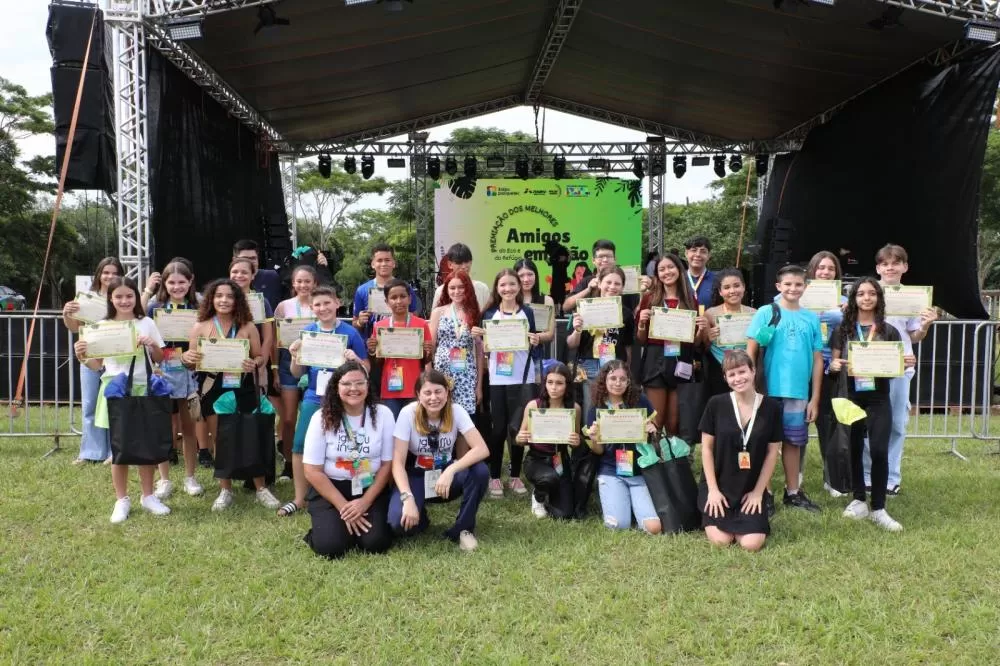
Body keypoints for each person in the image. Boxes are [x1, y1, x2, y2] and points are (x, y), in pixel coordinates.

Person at [180, 278, 281, 512]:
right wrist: (187, 359)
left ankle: (260, 488)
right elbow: (191, 361)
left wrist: (253, 363)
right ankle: (225, 489)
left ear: (237, 300)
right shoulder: (200, 327)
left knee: (250, 435)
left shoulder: (247, 327)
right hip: (213, 388)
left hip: (243, 386)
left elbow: (259, 357)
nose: (224, 300)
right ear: (211, 300)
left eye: (229, 296)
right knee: (219, 438)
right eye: (218, 296)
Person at [73, 277, 168, 523]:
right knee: (120, 448)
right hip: (115, 389)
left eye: (129, 296)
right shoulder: (101, 326)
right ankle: (121, 499)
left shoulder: (146, 322)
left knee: (145, 445)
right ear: (110, 299)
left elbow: (161, 356)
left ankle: (148, 496)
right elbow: (97, 365)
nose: (124, 301)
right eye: (118, 297)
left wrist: (151, 346)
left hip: (143, 387)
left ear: (137, 297)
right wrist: (82, 355)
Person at [829, 278, 907, 532]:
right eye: (860, 293)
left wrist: (906, 362)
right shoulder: (844, 329)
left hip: (878, 398)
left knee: (879, 451)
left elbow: (899, 362)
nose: (866, 298)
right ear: (854, 299)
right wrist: (835, 365)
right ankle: (859, 499)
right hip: (851, 397)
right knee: (853, 449)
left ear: (878, 298)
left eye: (871, 293)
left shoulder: (888, 330)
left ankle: (879, 507)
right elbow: (833, 363)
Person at [745, 264, 824, 513]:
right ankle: (765, 493)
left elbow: (818, 359)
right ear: (779, 286)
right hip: (768, 390)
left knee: (793, 442)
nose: (793, 288)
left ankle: (792, 492)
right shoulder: (766, 312)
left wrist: (815, 398)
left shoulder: (811, 318)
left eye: (798, 284)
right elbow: (751, 350)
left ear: (805, 287)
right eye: (787, 284)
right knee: (764, 443)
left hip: (799, 391)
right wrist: (750, 390)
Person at [285, 285, 369, 517]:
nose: (323, 308)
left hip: (345, 396)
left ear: (336, 303)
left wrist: (356, 360)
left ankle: (355, 491)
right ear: (312, 308)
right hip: (314, 394)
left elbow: (366, 369)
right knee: (300, 445)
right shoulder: (309, 332)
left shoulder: (350, 333)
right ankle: (299, 498)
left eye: (327, 303)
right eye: (318, 305)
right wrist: (294, 356)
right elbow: (296, 373)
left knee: (350, 443)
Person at [300, 361, 395, 558]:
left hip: (370, 488)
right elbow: (311, 471)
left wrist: (364, 503)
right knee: (331, 547)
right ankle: (332, 527)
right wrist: (343, 506)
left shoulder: (383, 414)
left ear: (368, 386)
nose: (354, 389)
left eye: (360, 383)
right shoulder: (321, 417)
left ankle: (349, 526)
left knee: (376, 543)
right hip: (332, 489)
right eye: (346, 384)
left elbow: (387, 465)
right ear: (336, 387)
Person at [388, 369, 490, 551]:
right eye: (427, 393)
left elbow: (481, 449)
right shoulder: (407, 414)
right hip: (417, 475)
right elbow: (397, 463)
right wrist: (408, 498)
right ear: (418, 395)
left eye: (438, 391)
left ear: (447, 392)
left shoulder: (456, 411)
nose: (433, 398)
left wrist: (451, 470)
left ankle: (463, 529)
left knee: (480, 471)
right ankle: (421, 516)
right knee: (398, 525)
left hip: (446, 474)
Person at [699, 350, 782, 551]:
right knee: (721, 541)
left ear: (753, 371)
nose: (738, 378)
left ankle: (748, 516)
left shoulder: (772, 407)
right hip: (720, 486)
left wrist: (757, 493)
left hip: (749, 488)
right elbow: (707, 449)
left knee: (751, 544)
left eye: (742, 371)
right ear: (725, 378)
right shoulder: (716, 404)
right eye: (732, 374)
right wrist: (712, 490)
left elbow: (772, 453)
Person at [871, 244, 936, 496]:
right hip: (869, 366)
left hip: (900, 367)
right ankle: (867, 475)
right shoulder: (867, 292)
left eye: (895, 263)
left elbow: (915, 335)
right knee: (869, 424)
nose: (890, 267)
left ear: (904, 267)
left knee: (897, 424)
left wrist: (926, 325)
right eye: (885, 263)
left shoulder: (913, 298)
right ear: (878, 267)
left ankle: (891, 478)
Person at [472, 269, 540, 498]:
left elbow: (535, 345)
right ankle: (493, 477)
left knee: (517, 428)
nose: (508, 289)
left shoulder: (528, 312)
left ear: (519, 287)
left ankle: (514, 475)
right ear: (497, 288)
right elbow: (484, 349)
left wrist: (535, 339)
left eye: (512, 284)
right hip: (498, 379)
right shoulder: (489, 314)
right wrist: (478, 337)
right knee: (498, 429)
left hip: (524, 378)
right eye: (503, 285)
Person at [146, 260, 205, 498]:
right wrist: (148, 290)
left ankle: (190, 477)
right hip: (162, 372)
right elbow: (138, 322)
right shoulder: (154, 307)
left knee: (189, 427)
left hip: (190, 373)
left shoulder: (199, 307)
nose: (177, 286)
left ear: (190, 281)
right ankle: (164, 479)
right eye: (172, 282)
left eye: (182, 281)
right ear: (165, 283)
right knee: (163, 428)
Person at [584, 361, 661, 534]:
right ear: (604, 380)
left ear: (628, 381)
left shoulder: (640, 400)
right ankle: (622, 503)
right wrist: (595, 439)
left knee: (653, 528)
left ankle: (633, 505)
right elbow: (598, 452)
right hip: (611, 470)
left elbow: (655, 428)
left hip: (640, 470)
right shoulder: (596, 409)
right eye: (612, 378)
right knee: (618, 525)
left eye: (622, 379)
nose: (617, 383)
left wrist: (652, 428)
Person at [63, 257, 123, 465]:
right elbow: (73, 327)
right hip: (88, 359)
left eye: (115, 273)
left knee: (112, 405)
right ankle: (90, 452)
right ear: (98, 275)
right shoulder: (86, 299)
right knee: (89, 405)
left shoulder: (121, 298)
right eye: (106, 272)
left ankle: (114, 451)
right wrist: (67, 313)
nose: (110, 277)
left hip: (114, 359)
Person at [802, 251, 848, 497]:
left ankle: (832, 479)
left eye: (830, 268)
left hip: (831, 368)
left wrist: (847, 309)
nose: (825, 272)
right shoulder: (798, 293)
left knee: (829, 424)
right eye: (820, 268)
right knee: (796, 425)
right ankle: (795, 478)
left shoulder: (844, 300)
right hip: (801, 367)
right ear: (812, 270)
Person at [636, 253, 699, 434]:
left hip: (681, 359)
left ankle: (674, 460)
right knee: (657, 420)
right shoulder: (650, 298)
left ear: (679, 269)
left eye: (670, 267)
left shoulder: (690, 299)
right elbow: (641, 339)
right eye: (661, 269)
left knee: (674, 421)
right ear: (657, 274)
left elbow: (694, 341)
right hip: (655, 359)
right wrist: (641, 323)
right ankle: (655, 460)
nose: (667, 272)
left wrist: (701, 329)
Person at [514, 362, 583, 519]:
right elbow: (520, 439)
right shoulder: (534, 406)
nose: (554, 387)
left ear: (567, 386)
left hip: (560, 459)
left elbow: (576, 440)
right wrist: (521, 438)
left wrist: (576, 441)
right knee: (549, 478)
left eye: (559, 383)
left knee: (564, 514)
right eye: (550, 382)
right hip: (536, 459)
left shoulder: (574, 409)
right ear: (545, 383)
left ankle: (549, 492)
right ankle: (538, 496)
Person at [566, 266, 635, 411]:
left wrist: (626, 369)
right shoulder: (585, 307)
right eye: (608, 282)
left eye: (617, 284)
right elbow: (571, 344)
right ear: (599, 283)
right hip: (589, 365)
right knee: (590, 411)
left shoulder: (627, 313)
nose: (612, 287)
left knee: (614, 410)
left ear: (622, 287)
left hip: (616, 368)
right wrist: (577, 330)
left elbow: (628, 346)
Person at [273, 265, 318, 481]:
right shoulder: (283, 307)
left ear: (314, 284)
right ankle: (289, 464)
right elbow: (275, 339)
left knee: (317, 417)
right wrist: (274, 370)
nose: (303, 285)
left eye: (307, 281)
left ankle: (316, 461)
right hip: (288, 364)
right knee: (289, 419)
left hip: (316, 364)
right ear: (293, 284)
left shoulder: (319, 306)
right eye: (299, 281)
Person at [367, 279, 433, 418]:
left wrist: (428, 351)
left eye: (403, 296)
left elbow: (426, 360)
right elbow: (378, 363)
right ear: (386, 302)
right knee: (392, 428)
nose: (398, 301)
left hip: (415, 387)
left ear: (409, 299)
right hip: (390, 388)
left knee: (415, 428)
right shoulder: (380, 326)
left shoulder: (421, 324)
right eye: (393, 297)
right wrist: (372, 350)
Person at [229, 256, 282, 421]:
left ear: (253, 276)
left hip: (253, 364)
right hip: (226, 364)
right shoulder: (222, 298)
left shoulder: (261, 301)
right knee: (226, 411)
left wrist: (261, 364)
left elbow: (268, 337)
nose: (239, 275)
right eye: (235, 272)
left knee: (250, 412)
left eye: (244, 272)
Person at [428, 270, 483, 417]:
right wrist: (429, 374)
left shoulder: (474, 313)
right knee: (442, 418)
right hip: (442, 373)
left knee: (465, 421)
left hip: (466, 375)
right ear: (446, 290)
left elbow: (479, 351)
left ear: (468, 288)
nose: (456, 291)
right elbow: (430, 346)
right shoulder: (438, 312)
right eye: (452, 288)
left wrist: (479, 386)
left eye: (461, 287)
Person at [703, 268, 756, 397]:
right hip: (719, 368)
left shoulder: (754, 314)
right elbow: (704, 348)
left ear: (743, 287)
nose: (732, 291)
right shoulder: (710, 314)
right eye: (727, 287)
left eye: (737, 286)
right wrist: (708, 338)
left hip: (745, 367)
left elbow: (759, 348)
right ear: (720, 292)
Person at [352, 243, 420, 338]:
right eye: (379, 260)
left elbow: (416, 319)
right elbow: (354, 323)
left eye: (387, 260)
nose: (383, 264)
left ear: (393, 263)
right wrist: (360, 322)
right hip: (372, 347)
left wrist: (407, 315)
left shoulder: (406, 288)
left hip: (401, 343)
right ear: (373, 264)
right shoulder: (362, 290)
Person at [562, 239, 638, 313]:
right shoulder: (587, 281)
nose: (605, 260)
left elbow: (636, 309)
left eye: (609, 256)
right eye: (601, 257)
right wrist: (588, 290)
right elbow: (566, 307)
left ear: (615, 259)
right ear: (593, 260)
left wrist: (643, 291)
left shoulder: (625, 280)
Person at [513, 257, 556, 358]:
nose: (526, 279)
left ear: (536, 275)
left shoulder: (547, 300)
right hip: (512, 354)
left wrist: (535, 337)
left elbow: (550, 334)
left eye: (530, 274)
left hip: (535, 354)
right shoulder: (509, 300)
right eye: (521, 275)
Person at [431, 243, 491, 309]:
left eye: (466, 262)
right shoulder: (441, 291)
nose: (463, 266)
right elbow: (435, 316)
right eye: (459, 263)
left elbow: (489, 315)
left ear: (471, 262)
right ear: (450, 264)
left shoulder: (482, 288)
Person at [233, 239, 283, 309]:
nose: (249, 262)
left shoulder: (272, 277)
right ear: (234, 260)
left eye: (253, 258)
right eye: (244, 259)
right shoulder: (227, 286)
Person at [683, 236, 715, 307]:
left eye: (703, 251)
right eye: (694, 250)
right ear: (686, 253)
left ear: (709, 255)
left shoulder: (717, 280)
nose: (698, 254)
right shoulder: (678, 278)